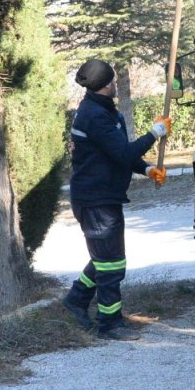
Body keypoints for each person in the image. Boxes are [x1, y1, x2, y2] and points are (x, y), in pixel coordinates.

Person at [61, 59, 171, 341]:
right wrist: (154, 134)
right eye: (112, 81)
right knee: (112, 263)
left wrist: (147, 169)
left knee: (103, 258)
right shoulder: (95, 116)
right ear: (106, 84)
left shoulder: (103, 111)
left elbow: (117, 154)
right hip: (96, 199)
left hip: (100, 196)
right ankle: (109, 324)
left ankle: (75, 301)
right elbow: (123, 153)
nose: (115, 84)